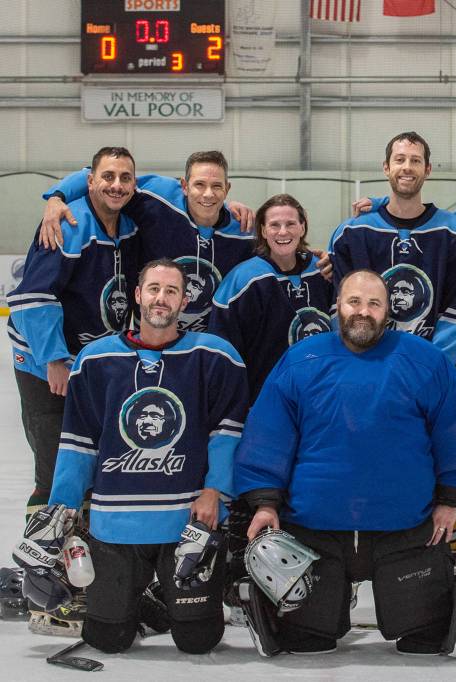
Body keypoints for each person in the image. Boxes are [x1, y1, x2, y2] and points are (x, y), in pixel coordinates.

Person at [234, 269, 456, 656]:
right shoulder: (301, 359)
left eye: (374, 303)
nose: (363, 311)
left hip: (406, 528)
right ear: (337, 305)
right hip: (314, 531)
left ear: (388, 311)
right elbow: (269, 432)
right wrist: (265, 502)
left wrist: (451, 498)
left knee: (423, 642)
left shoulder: (423, 360)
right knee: (306, 643)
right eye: (354, 301)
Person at [19, 259, 248, 653]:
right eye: (154, 289)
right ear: (139, 295)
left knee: (199, 640)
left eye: (172, 291)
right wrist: (63, 508)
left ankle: (166, 599)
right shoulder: (95, 359)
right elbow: (79, 441)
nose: (162, 298)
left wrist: (215, 491)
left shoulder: (216, 356)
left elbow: (227, 433)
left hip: (187, 526)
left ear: (185, 299)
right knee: (107, 639)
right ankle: (140, 600)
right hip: (116, 526)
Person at [8, 146, 141, 522]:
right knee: (54, 463)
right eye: (108, 177)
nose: (117, 185)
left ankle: (81, 548)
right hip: (45, 361)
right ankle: (42, 560)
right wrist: (54, 359)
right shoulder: (67, 224)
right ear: (90, 182)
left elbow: (179, 189)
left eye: (125, 178)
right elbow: (34, 296)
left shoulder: (129, 225)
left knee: (90, 459)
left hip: (89, 362)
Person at [40, 150, 255, 332]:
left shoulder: (244, 230)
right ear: (184, 186)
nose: (208, 194)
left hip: (202, 344)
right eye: (199, 184)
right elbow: (97, 175)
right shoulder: (158, 195)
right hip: (149, 336)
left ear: (227, 189)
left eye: (216, 186)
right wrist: (56, 196)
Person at [328, 131, 456, 368]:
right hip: (367, 368)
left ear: (428, 169)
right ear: (386, 167)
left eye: (415, 160)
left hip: (429, 374)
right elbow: (339, 309)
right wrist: (368, 360)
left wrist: (423, 365)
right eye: (400, 160)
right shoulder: (350, 234)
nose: (407, 167)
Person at [209, 194, 334, 404]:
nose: (283, 232)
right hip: (265, 401)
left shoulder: (324, 271)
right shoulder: (242, 280)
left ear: (302, 228)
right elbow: (224, 352)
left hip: (321, 397)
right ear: (263, 231)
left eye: (291, 224)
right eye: (274, 225)